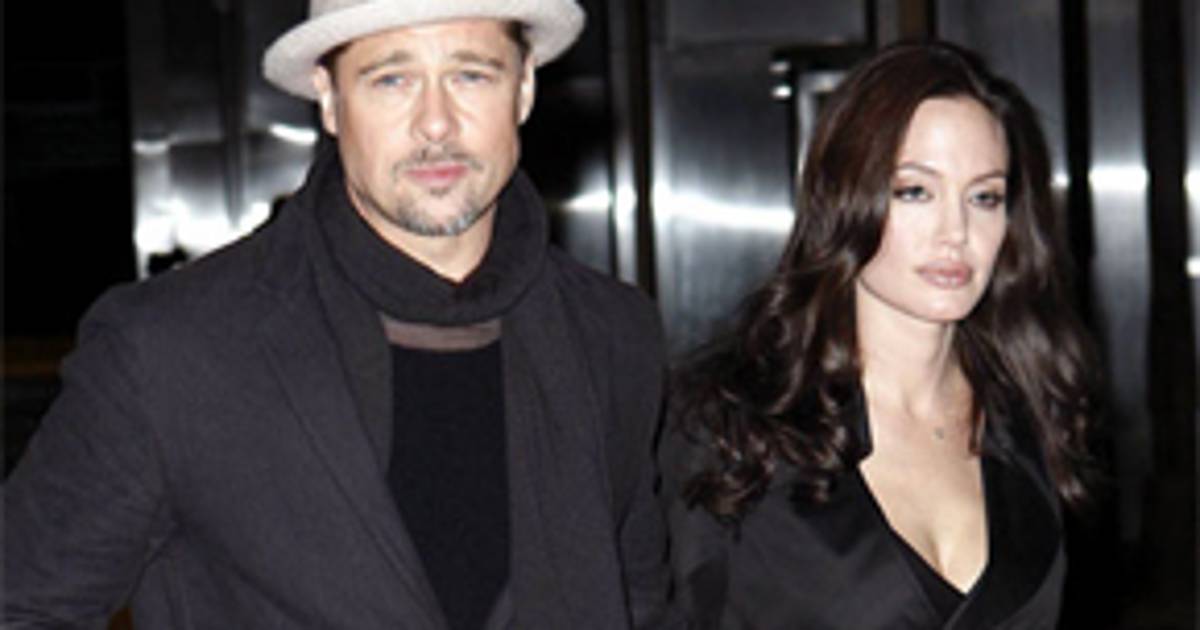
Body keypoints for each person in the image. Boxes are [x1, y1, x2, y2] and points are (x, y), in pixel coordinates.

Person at [4, 1, 678, 628]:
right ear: (329, 99)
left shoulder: (615, 335)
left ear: (523, 87)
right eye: (392, 80)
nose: (436, 123)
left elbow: (639, 603)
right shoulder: (170, 350)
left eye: (470, 75)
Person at [661, 41, 1099, 629]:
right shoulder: (731, 425)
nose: (955, 232)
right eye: (915, 191)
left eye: (984, 197)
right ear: (847, 200)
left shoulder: (1028, 411)